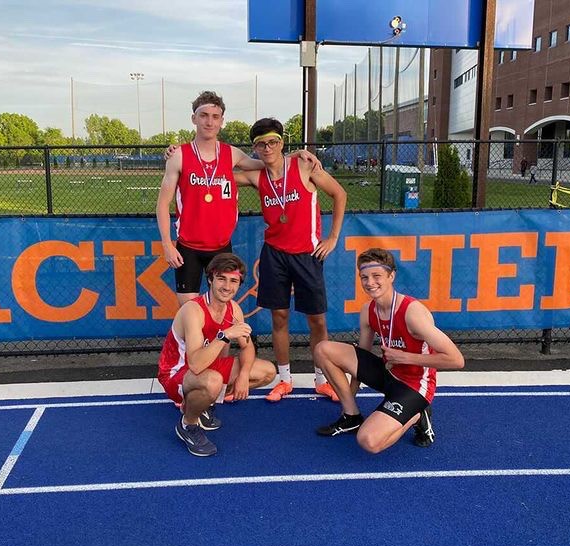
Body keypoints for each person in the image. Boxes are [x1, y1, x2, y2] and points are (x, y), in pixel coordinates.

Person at [157, 91, 321, 307]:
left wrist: (296, 153)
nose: (209, 122)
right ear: (194, 118)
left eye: (215, 117)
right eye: (204, 115)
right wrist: (167, 245)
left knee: (221, 309)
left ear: (221, 121)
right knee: (189, 311)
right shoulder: (179, 156)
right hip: (188, 247)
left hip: (221, 246)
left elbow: (267, 162)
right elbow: (162, 204)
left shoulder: (231, 154)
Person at [234, 118, 347, 403]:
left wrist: (333, 238)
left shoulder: (304, 166)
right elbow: (223, 171)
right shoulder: (257, 177)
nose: (267, 148)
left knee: (317, 320)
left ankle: (322, 380)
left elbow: (339, 194)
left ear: (282, 143)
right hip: (274, 254)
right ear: (255, 148)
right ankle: (285, 380)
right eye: (261, 144)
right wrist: (175, 156)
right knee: (279, 317)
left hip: (307, 254)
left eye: (273, 142)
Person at [314, 248, 464, 454]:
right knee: (323, 349)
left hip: (413, 386)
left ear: (391, 276)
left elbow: (456, 360)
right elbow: (362, 357)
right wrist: (349, 400)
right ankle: (352, 417)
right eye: (364, 277)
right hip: (388, 372)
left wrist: (406, 357)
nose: (370, 282)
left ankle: (418, 415)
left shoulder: (412, 312)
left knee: (369, 441)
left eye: (377, 276)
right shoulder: (368, 310)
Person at [157, 252, 276, 456]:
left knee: (267, 371)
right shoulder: (193, 310)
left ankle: (204, 403)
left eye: (233, 281)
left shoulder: (234, 309)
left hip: (208, 367)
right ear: (211, 279)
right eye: (221, 279)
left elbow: (247, 347)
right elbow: (195, 364)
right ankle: (188, 424)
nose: (227, 287)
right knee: (213, 381)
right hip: (177, 372)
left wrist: (243, 375)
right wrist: (225, 335)